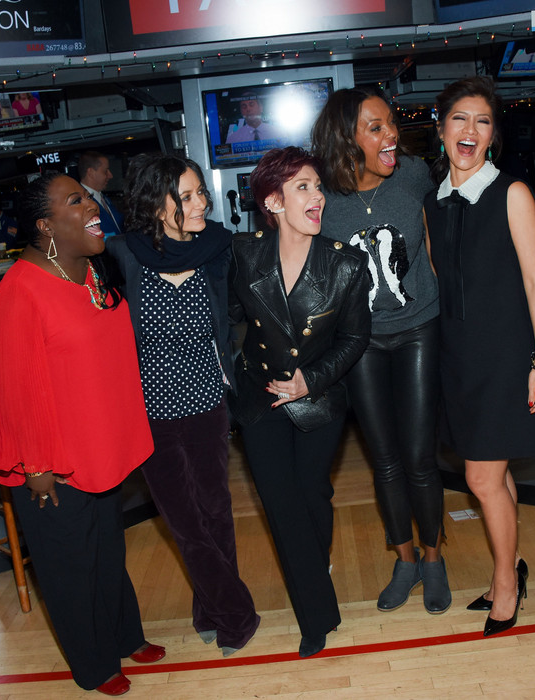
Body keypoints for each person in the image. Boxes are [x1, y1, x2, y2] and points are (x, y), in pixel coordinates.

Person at [0, 172, 165, 695]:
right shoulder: (20, 290)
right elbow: (12, 389)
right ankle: (94, 665)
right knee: (70, 570)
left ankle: (126, 636)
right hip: (52, 466)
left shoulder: (85, 273)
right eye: (75, 200)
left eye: (86, 198)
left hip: (97, 451)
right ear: (45, 225)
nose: (91, 206)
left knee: (107, 552)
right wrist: (37, 468)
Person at [423, 76, 535, 637]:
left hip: (509, 356)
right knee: (495, 473)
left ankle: (507, 586)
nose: (470, 131)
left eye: (482, 122)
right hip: (460, 359)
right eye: (460, 119)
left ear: (493, 136)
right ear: (441, 130)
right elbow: (444, 280)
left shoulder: (510, 192)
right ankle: (508, 570)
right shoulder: (431, 203)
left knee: (481, 478)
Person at [105, 153, 260, 657]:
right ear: (156, 203)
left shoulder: (217, 248)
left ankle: (209, 607)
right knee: (184, 521)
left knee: (215, 510)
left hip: (208, 403)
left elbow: (239, 312)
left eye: (200, 194)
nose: (201, 204)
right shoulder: (122, 256)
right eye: (187, 196)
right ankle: (237, 612)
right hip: (150, 412)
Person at [228, 147, 370, 658]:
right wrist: (232, 374)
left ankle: (314, 571)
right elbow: (228, 318)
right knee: (282, 505)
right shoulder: (245, 255)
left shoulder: (347, 264)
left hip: (318, 402)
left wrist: (311, 380)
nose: (318, 197)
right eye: (303, 187)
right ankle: (318, 614)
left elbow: (355, 338)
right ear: (273, 200)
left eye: (317, 186)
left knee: (312, 497)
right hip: (259, 399)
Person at [311, 88, 449, 614]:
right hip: (360, 341)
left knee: (418, 456)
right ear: (347, 140)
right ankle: (405, 558)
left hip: (418, 328)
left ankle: (434, 560)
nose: (391, 135)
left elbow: (443, 242)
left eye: (391, 124)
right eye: (376, 128)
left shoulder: (413, 176)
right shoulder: (323, 198)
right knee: (385, 459)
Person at [79, 151, 124, 238]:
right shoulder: (81, 204)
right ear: (91, 173)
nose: (110, 175)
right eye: (105, 171)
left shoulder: (105, 199)